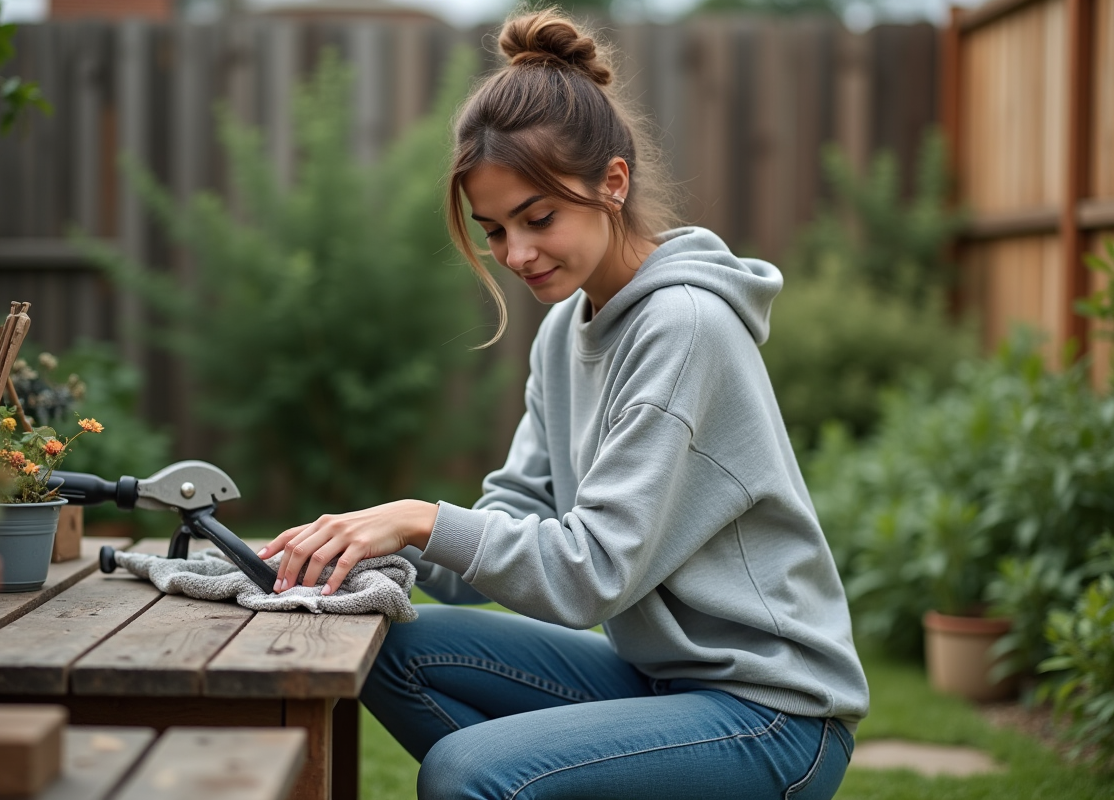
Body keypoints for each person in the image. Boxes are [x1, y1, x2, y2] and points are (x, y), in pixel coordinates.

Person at [258, 8, 869, 799]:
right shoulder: (565, 332)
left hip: (776, 714)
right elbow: (516, 508)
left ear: (612, 182)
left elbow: (592, 573)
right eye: (494, 230)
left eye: (538, 218)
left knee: (468, 771)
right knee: (388, 646)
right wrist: (357, 551)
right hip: (661, 679)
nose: (516, 254)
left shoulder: (685, 327)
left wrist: (420, 518)